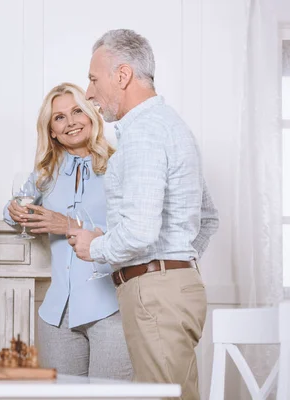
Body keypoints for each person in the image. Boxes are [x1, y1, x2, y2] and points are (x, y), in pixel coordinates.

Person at [68, 29, 219, 398]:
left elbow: (139, 232)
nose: (88, 92)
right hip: (169, 289)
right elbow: (208, 217)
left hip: (156, 294)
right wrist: (176, 262)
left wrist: (95, 246)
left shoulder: (144, 133)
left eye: (92, 78)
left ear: (122, 76)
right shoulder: (170, 126)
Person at [3, 83, 132, 379]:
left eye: (77, 111)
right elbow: (14, 210)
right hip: (56, 314)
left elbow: (134, 232)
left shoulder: (120, 165)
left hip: (111, 308)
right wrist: (13, 209)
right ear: (51, 130)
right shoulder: (46, 172)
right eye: (59, 117)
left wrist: (71, 225)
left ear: (91, 116)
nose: (71, 121)